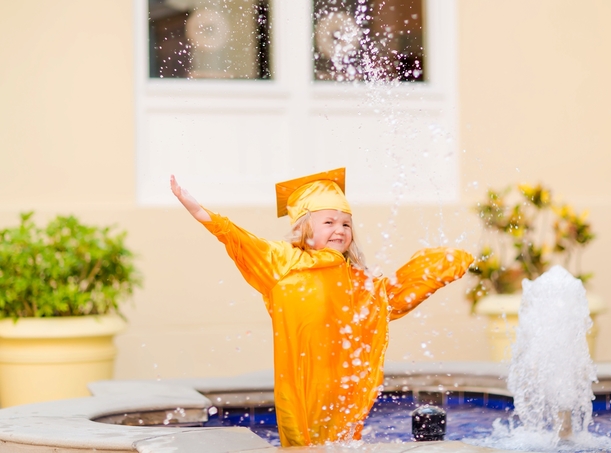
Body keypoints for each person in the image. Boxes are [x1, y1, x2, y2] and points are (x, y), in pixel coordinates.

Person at [170, 168, 473, 447]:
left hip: (340, 383)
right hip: (299, 382)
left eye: (345, 224)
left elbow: (391, 297)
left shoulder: (354, 277)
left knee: (342, 440)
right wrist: (195, 207)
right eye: (328, 222)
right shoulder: (281, 262)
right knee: (303, 442)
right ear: (304, 227)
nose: (339, 229)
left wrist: (437, 269)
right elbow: (234, 236)